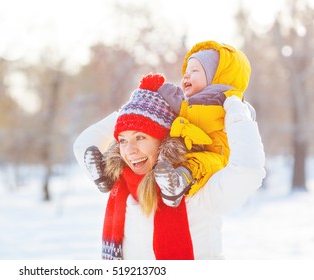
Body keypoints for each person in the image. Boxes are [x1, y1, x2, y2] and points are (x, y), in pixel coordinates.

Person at [73, 65, 265, 259]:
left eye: (141, 138)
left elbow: (248, 171)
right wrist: (133, 106)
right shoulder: (121, 182)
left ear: (164, 140)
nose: (130, 150)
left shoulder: (195, 187)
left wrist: (236, 109)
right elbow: (82, 146)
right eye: (122, 140)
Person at [153, 40, 253, 207]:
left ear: (216, 76)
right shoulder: (189, 103)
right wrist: (162, 90)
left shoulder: (229, 99)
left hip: (217, 155)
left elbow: (243, 118)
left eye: (194, 70)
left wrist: (240, 114)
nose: (186, 75)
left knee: (201, 163)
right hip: (187, 148)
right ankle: (164, 178)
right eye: (186, 71)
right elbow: (177, 103)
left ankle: (177, 184)